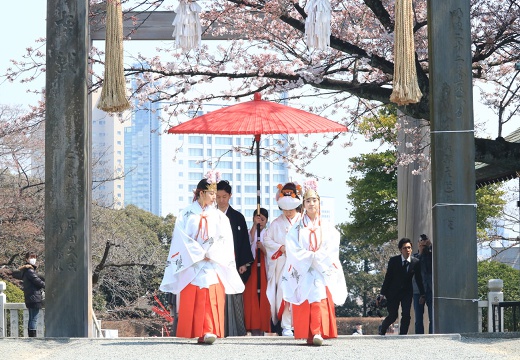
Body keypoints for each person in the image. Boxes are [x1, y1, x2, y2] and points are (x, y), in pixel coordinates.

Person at [159, 171, 244, 344]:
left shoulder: (220, 216)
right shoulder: (186, 214)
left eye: (215, 193)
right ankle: (197, 331)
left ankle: (209, 330)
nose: (214, 197)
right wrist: (199, 253)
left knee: (211, 296)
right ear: (201, 193)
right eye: (212, 193)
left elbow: (225, 239)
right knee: (195, 297)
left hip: (213, 262)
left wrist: (211, 253)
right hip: (193, 262)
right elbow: (181, 238)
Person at [281, 180, 347, 346]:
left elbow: (331, 246)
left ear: (319, 203)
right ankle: (308, 333)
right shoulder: (296, 228)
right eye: (308, 201)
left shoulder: (327, 227)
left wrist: (317, 257)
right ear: (303, 204)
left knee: (318, 297)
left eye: (314, 200)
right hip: (304, 268)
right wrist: (308, 257)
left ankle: (317, 331)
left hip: (319, 268)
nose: (311, 204)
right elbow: (292, 247)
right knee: (305, 298)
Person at [264, 182, 302, 337]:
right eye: (285, 209)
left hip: (300, 263)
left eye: (291, 209)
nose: (288, 212)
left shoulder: (303, 221)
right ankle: (286, 326)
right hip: (282, 263)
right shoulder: (276, 223)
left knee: (300, 293)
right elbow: (267, 240)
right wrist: (280, 248)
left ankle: (300, 324)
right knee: (284, 293)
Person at [216, 180, 254, 337]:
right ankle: (216, 328)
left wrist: (244, 262)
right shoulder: (210, 216)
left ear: (230, 196)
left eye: (224, 196)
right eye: (218, 196)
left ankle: (236, 331)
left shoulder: (237, 217)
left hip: (234, 262)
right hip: (216, 262)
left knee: (234, 296)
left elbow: (244, 241)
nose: (221, 200)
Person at [378, 238, 425, 335]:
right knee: (393, 316)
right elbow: (388, 278)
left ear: (411, 249)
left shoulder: (415, 262)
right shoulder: (394, 261)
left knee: (406, 315)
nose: (407, 250)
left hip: (407, 292)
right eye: (405, 248)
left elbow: (419, 279)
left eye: (409, 248)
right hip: (393, 292)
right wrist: (382, 294)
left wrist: (422, 294)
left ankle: (402, 335)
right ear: (400, 250)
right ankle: (382, 330)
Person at [243, 208, 271, 336]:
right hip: (252, 266)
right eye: (258, 218)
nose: (260, 221)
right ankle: (251, 324)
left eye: (263, 219)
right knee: (251, 296)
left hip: (264, 266)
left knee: (264, 295)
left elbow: (271, 253)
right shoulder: (250, 232)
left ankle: (262, 325)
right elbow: (248, 242)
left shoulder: (269, 233)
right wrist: (255, 225)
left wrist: (263, 249)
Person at [20, 251, 45, 337]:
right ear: (26, 259)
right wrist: (47, 286)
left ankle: (31, 337)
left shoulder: (26, 271)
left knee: (31, 318)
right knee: (34, 319)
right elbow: (37, 281)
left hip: (30, 297)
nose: (33, 259)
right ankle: (32, 338)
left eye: (34, 257)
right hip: (34, 298)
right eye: (31, 257)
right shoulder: (30, 271)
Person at [419, 234, 433, 334]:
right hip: (419, 291)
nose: (423, 242)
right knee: (418, 319)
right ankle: (418, 338)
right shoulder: (415, 257)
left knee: (433, 317)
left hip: (431, 289)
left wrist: (431, 245)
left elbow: (440, 256)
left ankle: (432, 335)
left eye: (425, 241)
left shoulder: (432, 256)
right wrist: (420, 251)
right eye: (421, 241)